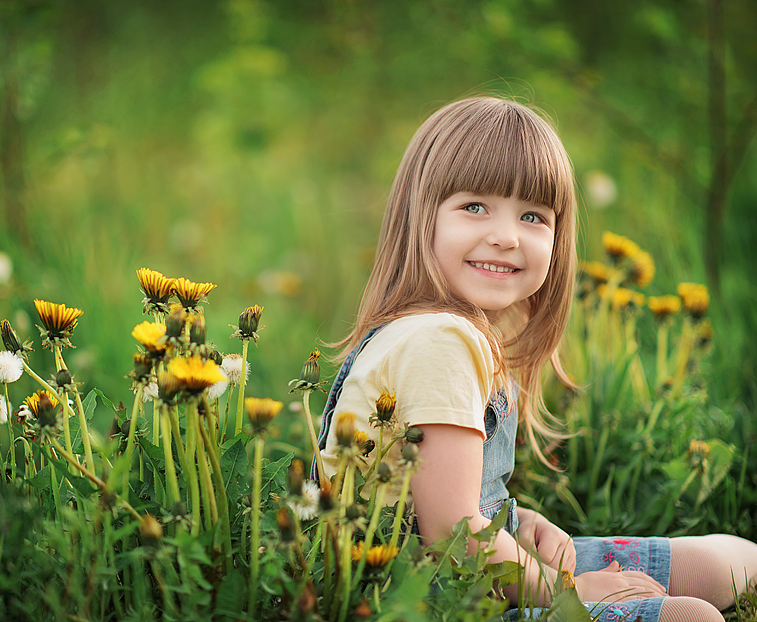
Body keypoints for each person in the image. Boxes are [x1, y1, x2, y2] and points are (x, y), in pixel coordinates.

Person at [311, 96, 757, 621]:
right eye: (474, 206)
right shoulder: (440, 342)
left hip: (485, 568)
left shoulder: (444, 332)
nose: (506, 236)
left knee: (737, 558)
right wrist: (566, 589)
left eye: (532, 216)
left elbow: (451, 504)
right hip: (431, 600)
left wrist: (516, 525)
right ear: (419, 215)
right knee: (694, 617)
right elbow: (451, 536)